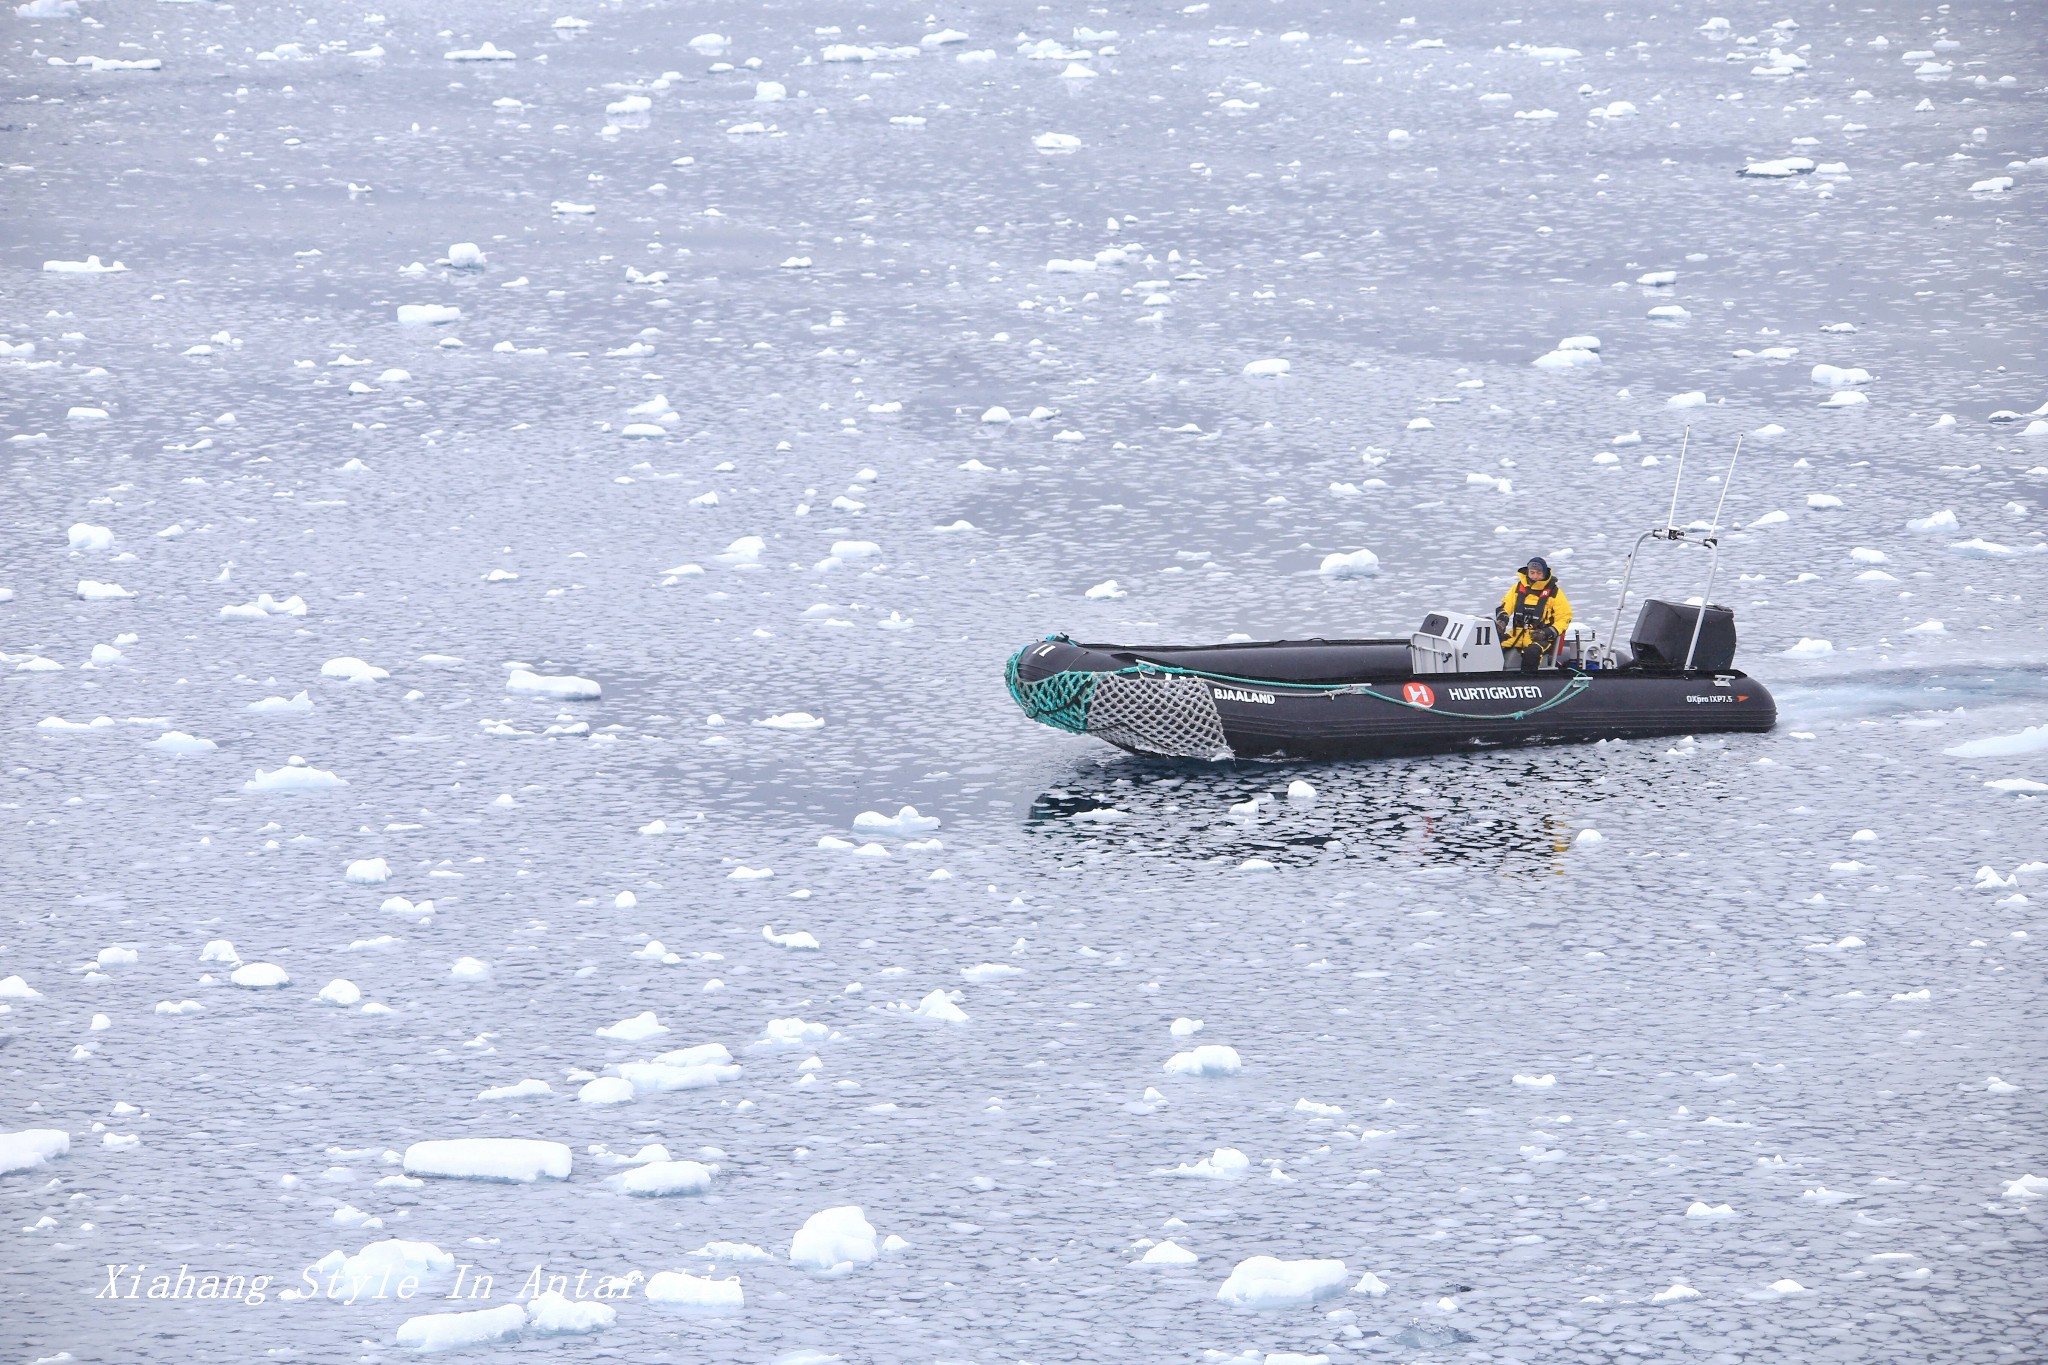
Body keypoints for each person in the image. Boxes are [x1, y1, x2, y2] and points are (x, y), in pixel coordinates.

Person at [1495, 556, 1571, 673]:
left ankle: (1529, 681)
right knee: (1493, 644)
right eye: (1532, 572)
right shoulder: (1518, 588)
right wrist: (1502, 621)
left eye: (1539, 573)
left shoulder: (1554, 592)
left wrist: (1547, 632)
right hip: (1516, 635)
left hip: (1540, 638)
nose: (1535, 576)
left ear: (1544, 573)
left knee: (1532, 652)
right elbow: (1505, 606)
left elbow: (1564, 617)